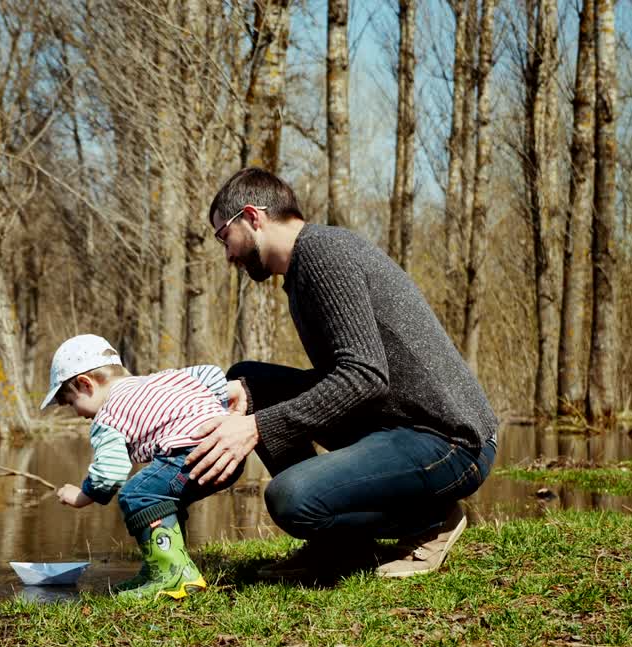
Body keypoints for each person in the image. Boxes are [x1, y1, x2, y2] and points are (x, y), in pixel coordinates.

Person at [186, 167, 499, 580]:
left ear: (252, 216)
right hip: (398, 422)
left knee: (290, 499)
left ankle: (431, 520)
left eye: (224, 236)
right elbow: (357, 380)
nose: (227, 254)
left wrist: (256, 427)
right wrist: (251, 403)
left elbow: (364, 376)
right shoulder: (301, 269)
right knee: (249, 381)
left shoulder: (322, 254)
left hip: (451, 441)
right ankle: (338, 545)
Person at [42, 334, 245, 599]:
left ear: (86, 384)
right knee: (160, 495)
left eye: (71, 403)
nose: (78, 414)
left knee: (137, 493)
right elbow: (207, 374)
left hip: (194, 454)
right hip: (228, 447)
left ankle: (174, 577)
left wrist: (82, 496)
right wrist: (232, 390)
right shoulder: (160, 379)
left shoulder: (108, 416)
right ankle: (159, 570)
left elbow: (110, 471)